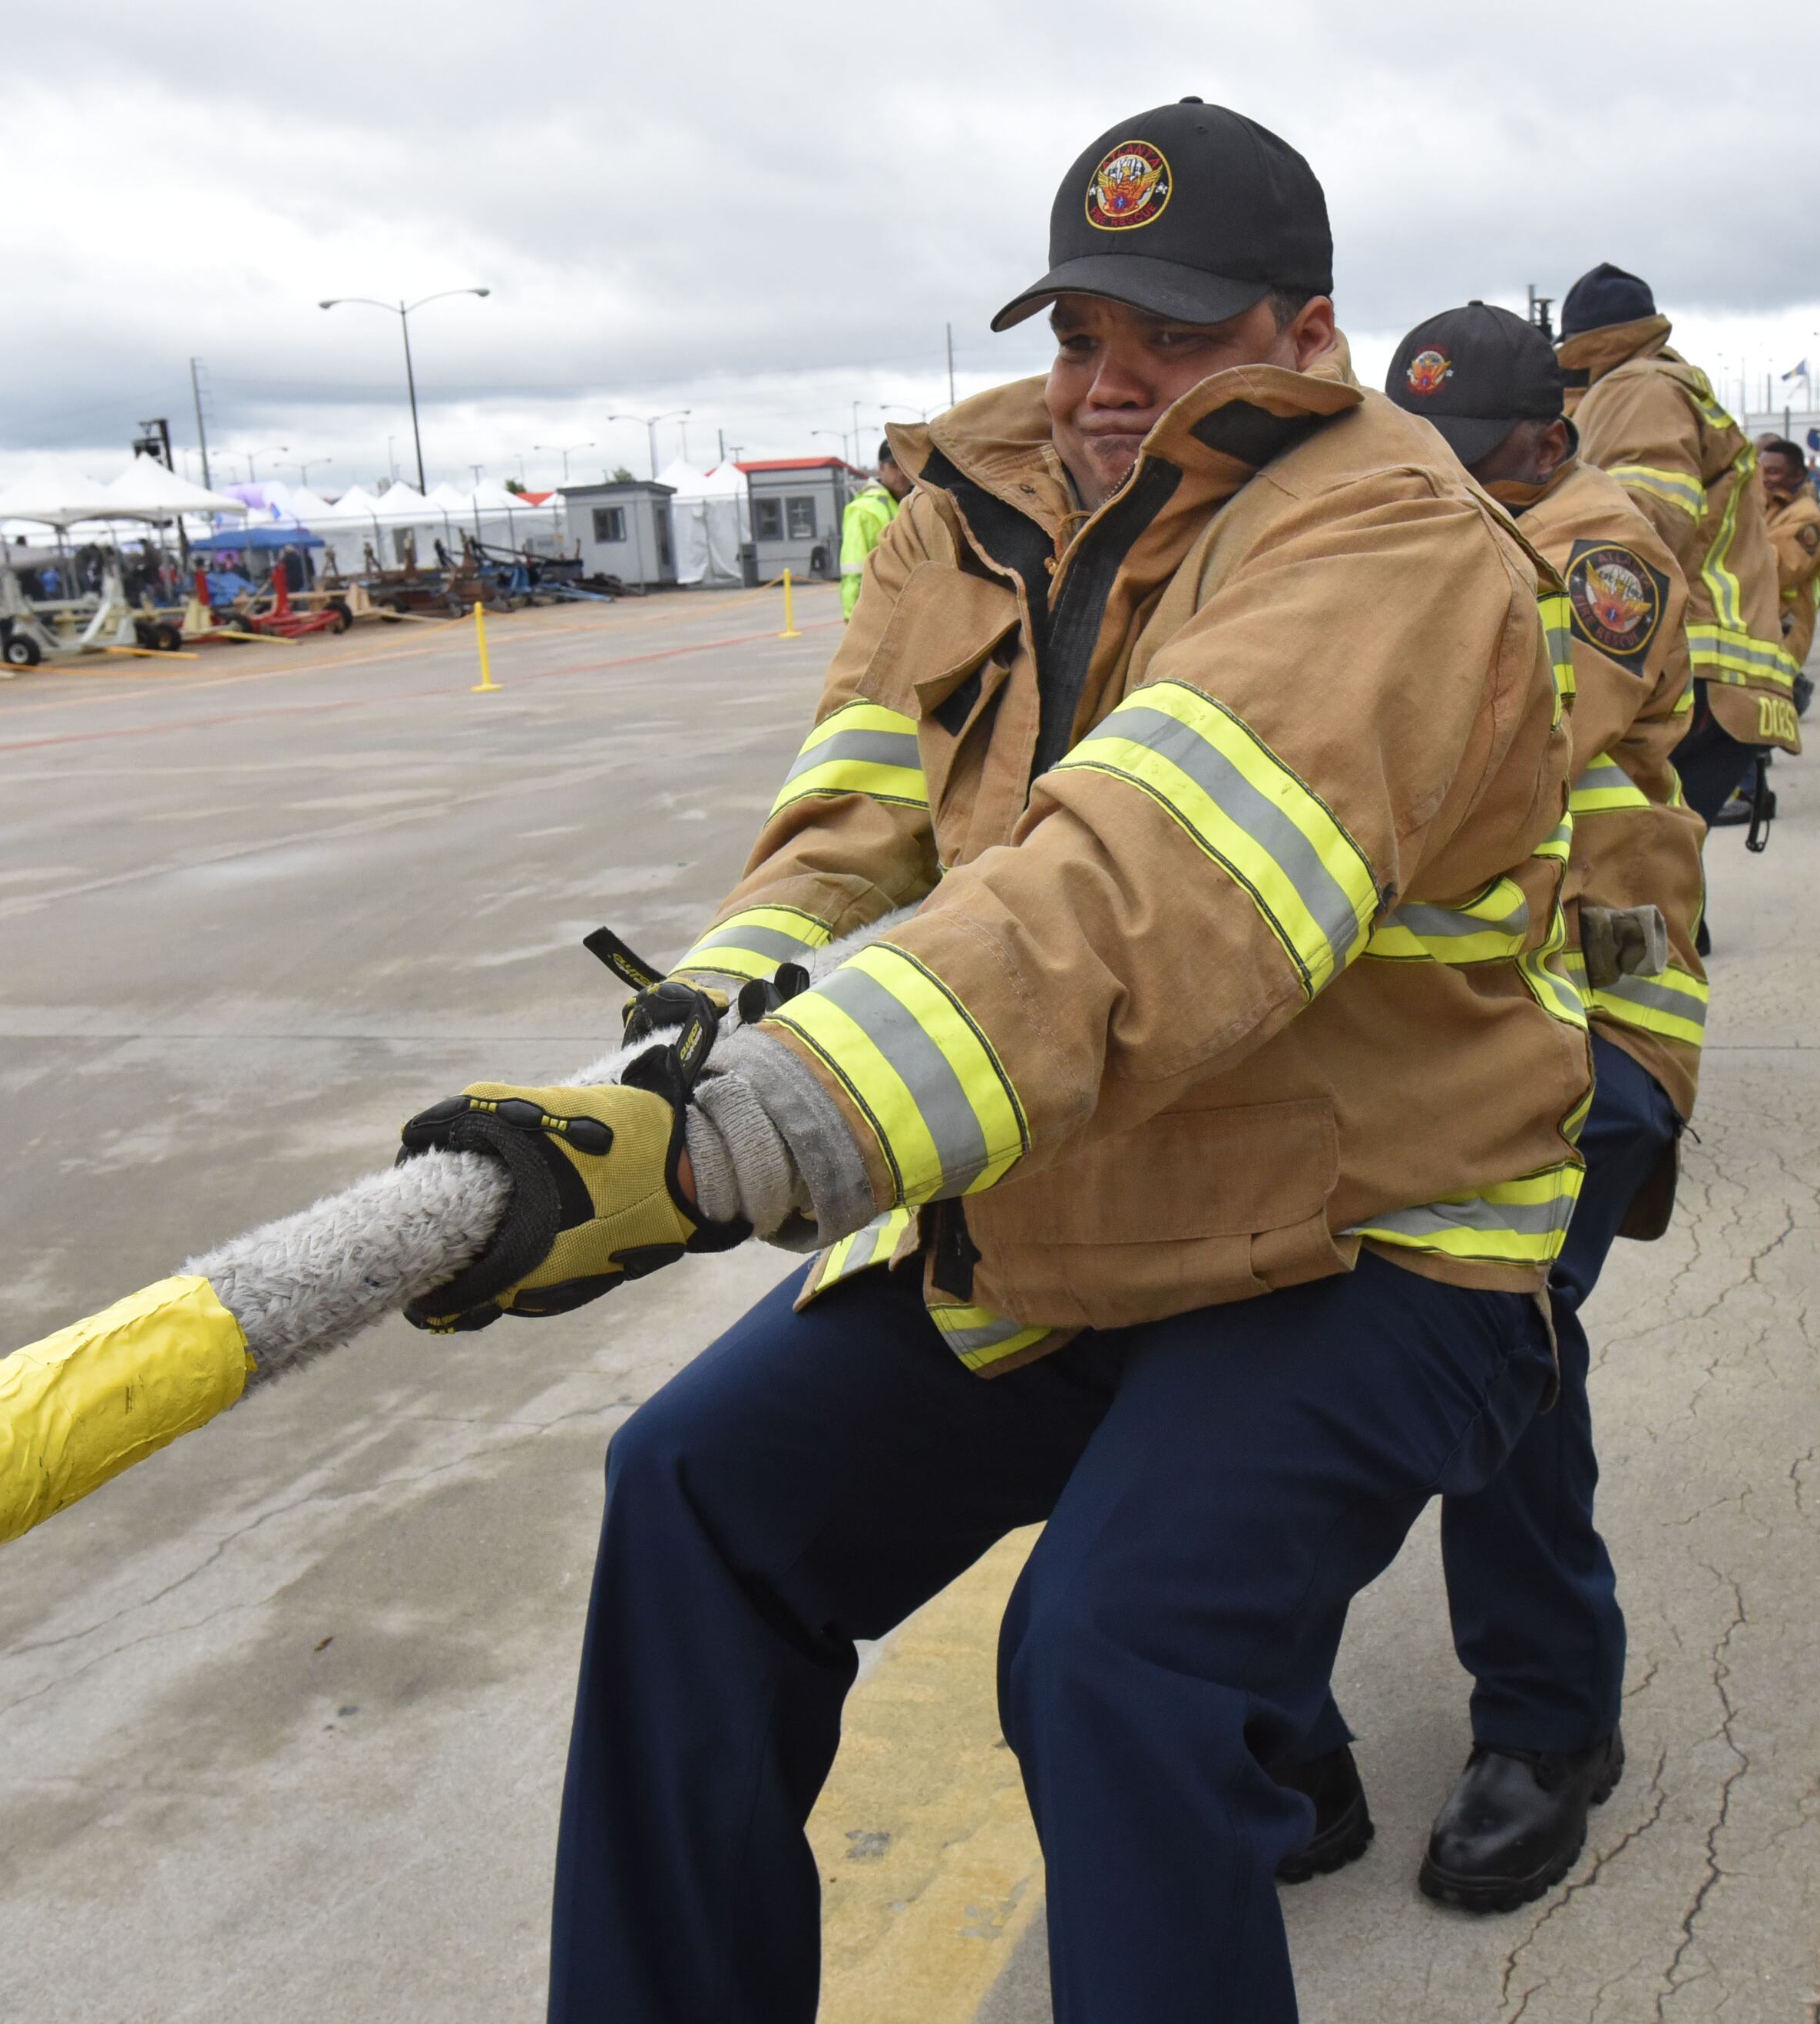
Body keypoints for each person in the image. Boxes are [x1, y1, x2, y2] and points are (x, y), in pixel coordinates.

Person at [475, 101, 1591, 2024]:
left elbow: (1152, 889)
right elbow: (851, 829)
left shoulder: (1383, 535)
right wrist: (697, 1052)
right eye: (1079, 333)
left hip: (1369, 1233)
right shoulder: (965, 521)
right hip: (1080, 1207)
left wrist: (801, 1118)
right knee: (690, 1490)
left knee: (1111, 1645)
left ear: (1305, 337)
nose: (1108, 382)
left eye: (1173, 334)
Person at [1322, 299, 1706, 1911]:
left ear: (1548, 445)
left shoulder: (1599, 545)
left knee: (1509, 1347)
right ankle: (1272, 1720)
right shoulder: (1430, 536)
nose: (1458, 495)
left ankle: (1552, 1726)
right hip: (1452, 1021)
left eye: (1483, 467)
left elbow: (1525, 722)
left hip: (1598, 1025)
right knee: (1295, 1346)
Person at [1555, 262, 1796, 821]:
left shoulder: (1637, 389)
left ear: (1579, 345)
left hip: (1695, 676)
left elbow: (1634, 534)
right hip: (1723, 676)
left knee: (1640, 870)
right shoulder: (1668, 381)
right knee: (1662, 875)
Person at [1758, 436, 1820, 674]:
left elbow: (1782, 568)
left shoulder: (1807, 517)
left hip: (1787, 630)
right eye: (1761, 471)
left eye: (1774, 472)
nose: (1765, 478)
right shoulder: (1769, 508)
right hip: (1767, 625)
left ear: (1798, 475)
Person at [836, 439, 913, 619]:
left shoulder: (915, 505)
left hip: (911, 610)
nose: (901, 473)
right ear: (880, 469)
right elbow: (853, 568)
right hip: (881, 612)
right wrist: (853, 618)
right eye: (894, 466)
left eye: (904, 465)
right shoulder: (863, 511)